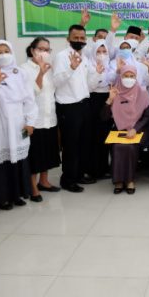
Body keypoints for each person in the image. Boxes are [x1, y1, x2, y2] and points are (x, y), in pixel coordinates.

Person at [0, 40, 38, 210]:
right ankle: (2, 198)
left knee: (19, 159)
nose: (3, 55)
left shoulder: (20, 73)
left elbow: (30, 99)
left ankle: (18, 194)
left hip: (19, 121)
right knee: (2, 160)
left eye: (6, 50)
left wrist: (30, 122)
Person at [53, 25, 97, 192]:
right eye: (76, 38)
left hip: (84, 104)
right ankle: (68, 180)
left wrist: (97, 75)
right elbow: (56, 82)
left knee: (83, 142)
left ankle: (79, 174)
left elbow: (88, 86)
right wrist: (70, 68)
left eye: (82, 38)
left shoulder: (84, 58)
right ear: (68, 38)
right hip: (68, 106)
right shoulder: (61, 57)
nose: (79, 41)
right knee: (70, 145)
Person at [20, 37, 61, 202]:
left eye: (47, 50)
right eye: (41, 49)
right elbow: (30, 93)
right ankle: (33, 186)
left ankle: (44, 181)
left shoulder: (50, 69)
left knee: (48, 152)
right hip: (33, 120)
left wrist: (45, 71)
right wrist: (40, 73)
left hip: (49, 117)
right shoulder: (23, 69)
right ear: (32, 50)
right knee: (34, 154)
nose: (44, 52)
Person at [101, 65, 149, 194]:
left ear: (136, 77)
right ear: (120, 77)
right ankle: (118, 180)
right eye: (126, 76)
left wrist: (135, 129)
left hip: (139, 130)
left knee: (130, 146)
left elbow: (147, 116)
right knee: (118, 146)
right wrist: (110, 100)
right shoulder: (115, 91)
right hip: (119, 129)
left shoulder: (142, 92)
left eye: (132, 76)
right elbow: (103, 118)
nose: (129, 79)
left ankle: (130, 180)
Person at [87, 39, 116, 180]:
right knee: (95, 137)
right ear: (93, 52)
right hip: (94, 100)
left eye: (104, 51)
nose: (102, 54)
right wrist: (97, 73)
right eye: (98, 51)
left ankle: (105, 168)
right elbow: (89, 87)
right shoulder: (89, 66)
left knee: (106, 135)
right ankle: (94, 170)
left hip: (108, 99)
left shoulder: (111, 66)